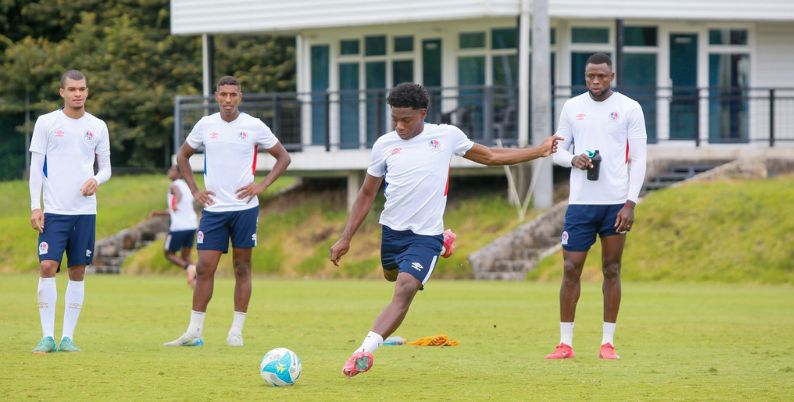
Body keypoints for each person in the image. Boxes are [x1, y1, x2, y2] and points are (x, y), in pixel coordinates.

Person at [329, 82, 563, 377]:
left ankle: (363, 352)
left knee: (405, 288)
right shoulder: (384, 145)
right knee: (391, 275)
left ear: (423, 113)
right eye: (395, 120)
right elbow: (365, 194)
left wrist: (539, 151)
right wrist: (346, 236)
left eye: (406, 120)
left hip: (424, 235)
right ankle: (443, 244)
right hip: (391, 232)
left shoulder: (446, 136)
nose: (400, 126)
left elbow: (490, 156)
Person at [164, 75, 291, 348]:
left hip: (245, 210)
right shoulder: (205, 125)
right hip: (214, 211)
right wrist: (196, 190)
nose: (228, 100)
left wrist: (263, 185)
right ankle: (193, 331)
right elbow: (182, 156)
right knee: (204, 268)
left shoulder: (254, 126)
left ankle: (236, 332)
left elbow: (284, 157)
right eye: (223, 95)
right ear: (216, 96)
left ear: (240, 97)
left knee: (242, 268)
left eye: (233, 95)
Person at [546, 53, 647, 360]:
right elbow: (556, 151)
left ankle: (607, 343)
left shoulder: (629, 108)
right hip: (580, 205)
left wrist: (630, 203)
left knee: (611, 269)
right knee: (570, 268)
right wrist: (572, 159)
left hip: (615, 204)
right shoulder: (572, 107)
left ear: (611, 76)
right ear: (585, 76)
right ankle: (565, 343)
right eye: (591, 76)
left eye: (602, 76)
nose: (596, 81)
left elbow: (639, 158)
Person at [29, 70, 112, 354]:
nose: (78, 94)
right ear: (62, 92)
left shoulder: (98, 126)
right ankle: (47, 336)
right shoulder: (47, 123)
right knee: (47, 266)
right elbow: (36, 168)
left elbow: (107, 169)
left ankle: (67, 337)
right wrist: (35, 206)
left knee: (77, 271)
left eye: (83, 89)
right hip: (53, 210)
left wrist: (96, 180)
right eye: (73, 89)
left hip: (85, 213)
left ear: (87, 92)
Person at [164, 165, 199, 287]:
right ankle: (197, 280)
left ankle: (189, 268)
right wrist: (158, 213)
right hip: (192, 225)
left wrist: (176, 202)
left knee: (168, 253)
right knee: (185, 256)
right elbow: (182, 207)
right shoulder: (186, 186)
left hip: (178, 227)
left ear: (179, 174)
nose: (169, 171)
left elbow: (178, 195)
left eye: (172, 169)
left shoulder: (174, 185)